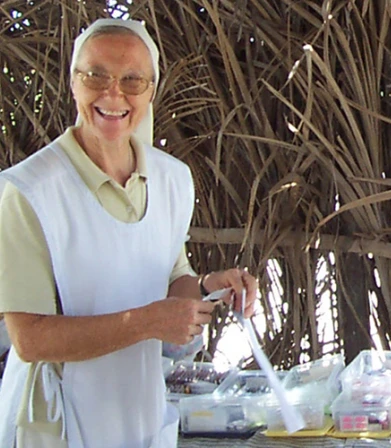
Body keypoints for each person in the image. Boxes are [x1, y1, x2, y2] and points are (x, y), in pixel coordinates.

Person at [0, 18, 257, 448]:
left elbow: (172, 278)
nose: (113, 93)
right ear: (73, 83)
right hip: (55, 423)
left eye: (132, 80)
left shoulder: (172, 179)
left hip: (139, 413)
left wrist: (210, 287)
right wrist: (146, 323)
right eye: (95, 75)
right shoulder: (30, 192)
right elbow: (30, 338)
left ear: (151, 91)